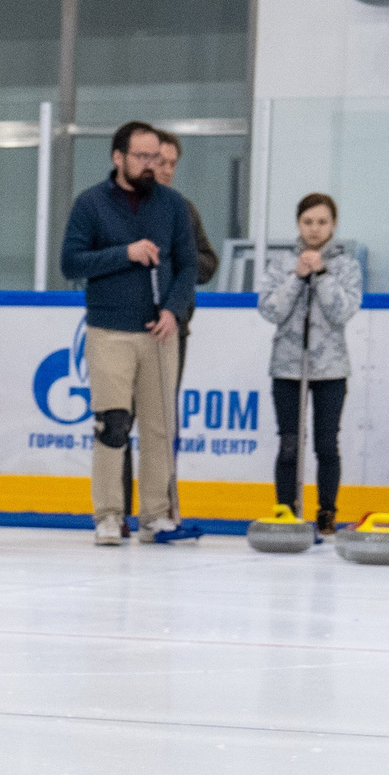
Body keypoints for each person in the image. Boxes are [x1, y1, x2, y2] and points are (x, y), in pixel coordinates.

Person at [59, 121, 199, 548]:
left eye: (156, 157)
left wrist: (174, 311)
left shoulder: (174, 205)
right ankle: (108, 514)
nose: (150, 165)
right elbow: (71, 263)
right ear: (118, 157)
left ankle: (155, 514)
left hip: (159, 333)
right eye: (142, 156)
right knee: (113, 424)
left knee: (159, 428)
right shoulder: (90, 204)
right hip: (109, 330)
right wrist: (126, 254)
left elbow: (189, 265)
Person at [256, 192, 360, 536]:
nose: (315, 229)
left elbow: (343, 310)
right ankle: (286, 509)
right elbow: (270, 309)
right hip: (287, 367)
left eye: (322, 222)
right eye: (308, 222)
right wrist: (297, 277)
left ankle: (327, 512)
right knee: (289, 443)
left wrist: (324, 273)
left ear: (333, 225)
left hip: (330, 369)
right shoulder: (282, 262)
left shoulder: (346, 265)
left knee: (326, 444)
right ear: (298, 224)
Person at [143, 129, 218, 525]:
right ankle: (119, 508)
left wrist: (179, 262)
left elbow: (206, 262)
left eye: (173, 164)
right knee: (120, 421)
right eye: (161, 161)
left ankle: (164, 503)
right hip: (126, 325)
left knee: (163, 420)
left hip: (174, 329)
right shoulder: (121, 207)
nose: (167, 170)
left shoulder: (183, 210)